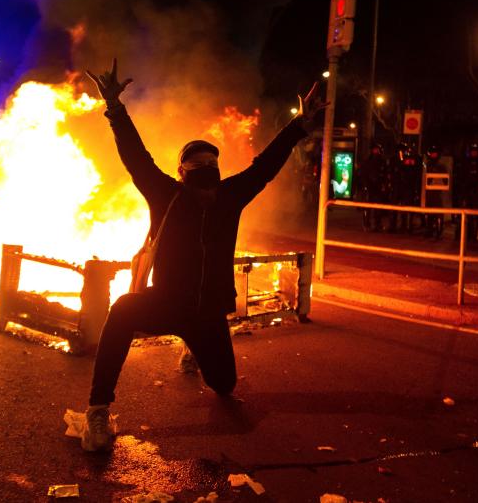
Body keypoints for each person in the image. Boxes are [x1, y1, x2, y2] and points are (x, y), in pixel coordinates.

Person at [79, 59, 326, 452]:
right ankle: (97, 409)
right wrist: (114, 108)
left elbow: (265, 166)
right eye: (197, 162)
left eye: (212, 162)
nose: (206, 166)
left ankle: (192, 347)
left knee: (224, 386)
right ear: (181, 171)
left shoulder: (231, 197)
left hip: (209, 314)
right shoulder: (166, 194)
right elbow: (136, 157)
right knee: (123, 309)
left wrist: (299, 125)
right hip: (166, 303)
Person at [358, 142, 388, 231]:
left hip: (378, 187)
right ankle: (367, 224)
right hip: (369, 186)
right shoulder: (367, 161)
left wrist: (384, 184)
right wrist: (365, 185)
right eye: (374, 149)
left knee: (378, 207)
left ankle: (377, 224)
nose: (376, 151)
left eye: (377, 149)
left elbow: (385, 174)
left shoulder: (382, 161)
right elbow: (363, 174)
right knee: (367, 207)